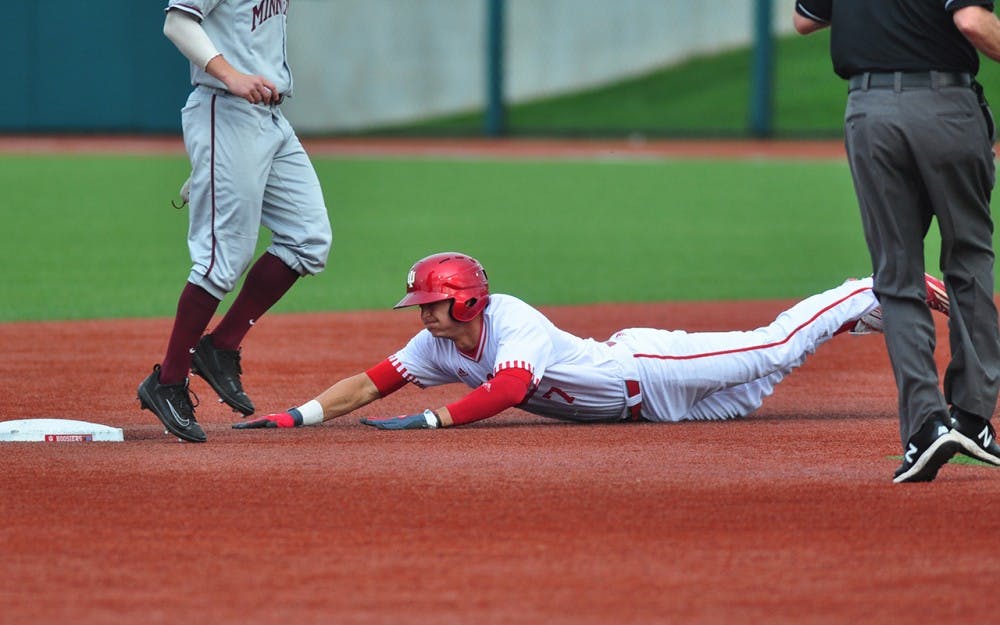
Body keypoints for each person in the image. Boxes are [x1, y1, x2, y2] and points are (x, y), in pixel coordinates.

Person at [234, 252, 995, 481]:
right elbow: (371, 381)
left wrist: (433, 419)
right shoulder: (436, 345)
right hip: (659, 410)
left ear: (468, 303)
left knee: (770, 348)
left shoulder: (514, 321)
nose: (424, 317)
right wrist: (298, 413)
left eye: (433, 304)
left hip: (652, 369)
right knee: (762, 386)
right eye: (423, 306)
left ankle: (868, 287)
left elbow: (512, 388)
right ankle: (865, 316)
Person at [793, 1, 1000, 482]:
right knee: (968, 257)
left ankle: (925, 427)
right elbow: (970, 19)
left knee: (896, 273)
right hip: (945, 106)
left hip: (870, 111)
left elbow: (805, 18)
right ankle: (971, 417)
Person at [137, 0, 333, 443]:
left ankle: (220, 346)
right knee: (222, 259)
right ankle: (168, 380)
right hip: (225, 108)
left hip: (269, 118)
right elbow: (177, 22)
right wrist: (231, 77)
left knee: (308, 240)